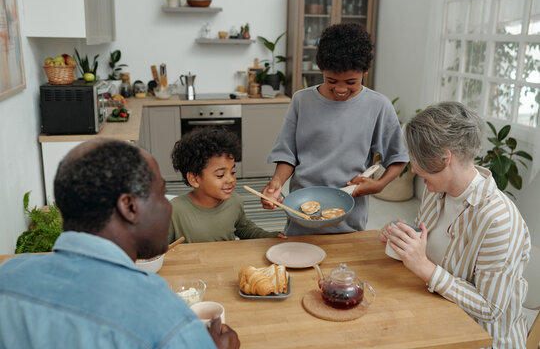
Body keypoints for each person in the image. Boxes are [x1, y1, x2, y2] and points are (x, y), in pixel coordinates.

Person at [0, 139, 240, 349]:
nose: (168, 206)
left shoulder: (8, 277)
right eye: (160, 194)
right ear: (130, 207)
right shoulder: (163, 312)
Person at [379, 102, 530, 348]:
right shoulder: (435, 191)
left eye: (416, 160)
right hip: (434, 314)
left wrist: (425, 267)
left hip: (478, 338)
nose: (414, 169)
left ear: (445, 157)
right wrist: (403, 240)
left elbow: (490, 308)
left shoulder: (498, 221)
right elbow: (425, 249)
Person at [262, 23, 409, 235]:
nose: (340, 89)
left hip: (350, 216)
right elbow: (287, 154)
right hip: (302, 213)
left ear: (365, 71)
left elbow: (398, 158)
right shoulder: (302, 101)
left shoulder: (378, 106)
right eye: (331, 80)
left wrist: (380, 185)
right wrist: (276, 183)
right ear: (321, 70)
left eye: (351, 82)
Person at [169, 127, 285, 243]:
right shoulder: (174, 211)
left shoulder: (234, 201)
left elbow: (244, 229)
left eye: (232, 172)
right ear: (194, 179)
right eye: (220, 175)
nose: (231, 179)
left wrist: (269, 236)